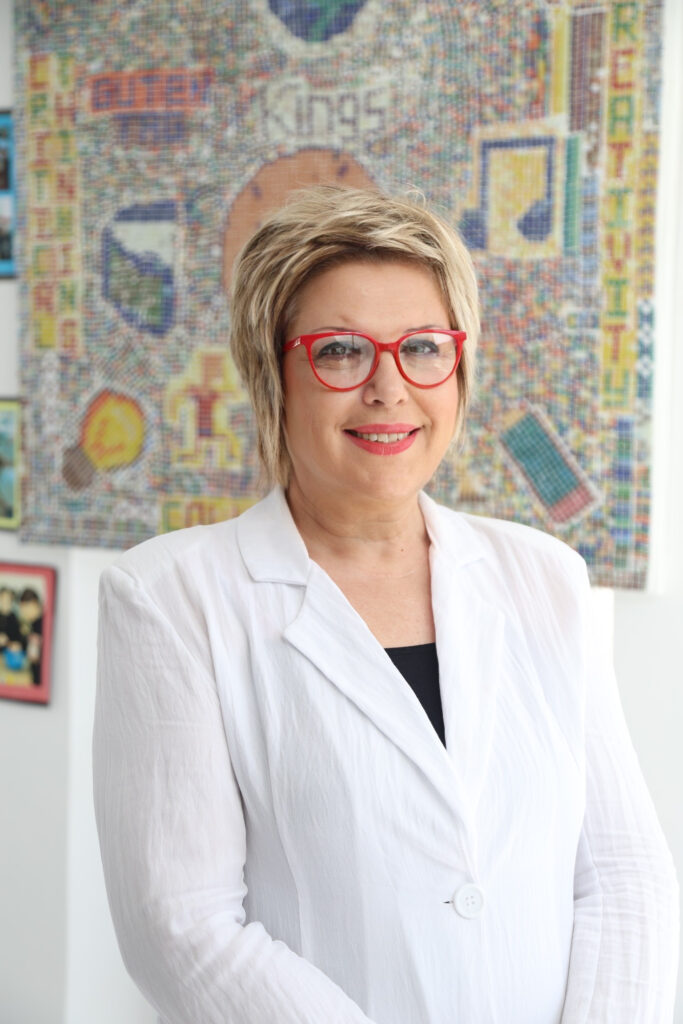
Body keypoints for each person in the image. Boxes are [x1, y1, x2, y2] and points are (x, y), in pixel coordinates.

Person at [93, 186, 679, 1023]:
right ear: (272, 373)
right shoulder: (169, 599)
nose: (388, 387)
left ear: (458, 368)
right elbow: (181, 929)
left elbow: (623, 873)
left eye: (422, 348)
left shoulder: (545, 576)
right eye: (339, 351)